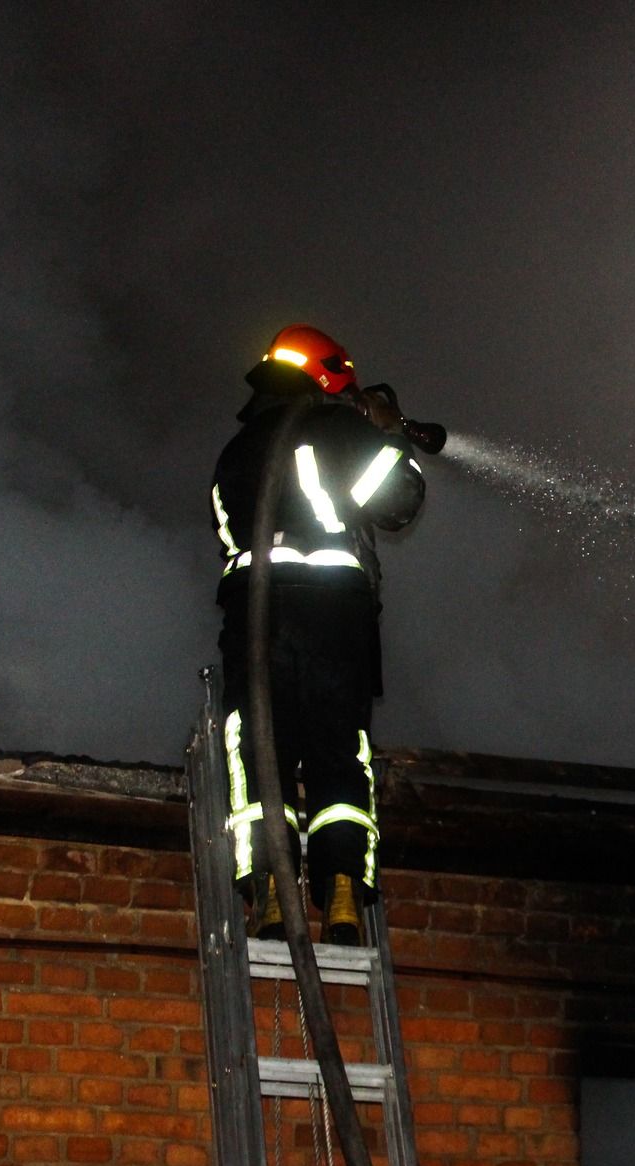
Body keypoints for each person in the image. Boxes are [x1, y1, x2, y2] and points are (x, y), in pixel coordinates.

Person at [211, 324, 425, 944]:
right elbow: (400, 502)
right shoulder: (341, 432)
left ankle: (272, 893)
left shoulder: (235, 452)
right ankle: (339, 896)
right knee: (337, 754)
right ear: (328, 373)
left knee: (259, 755)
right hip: (334, 616)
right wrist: (386, 431)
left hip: (254, 621)